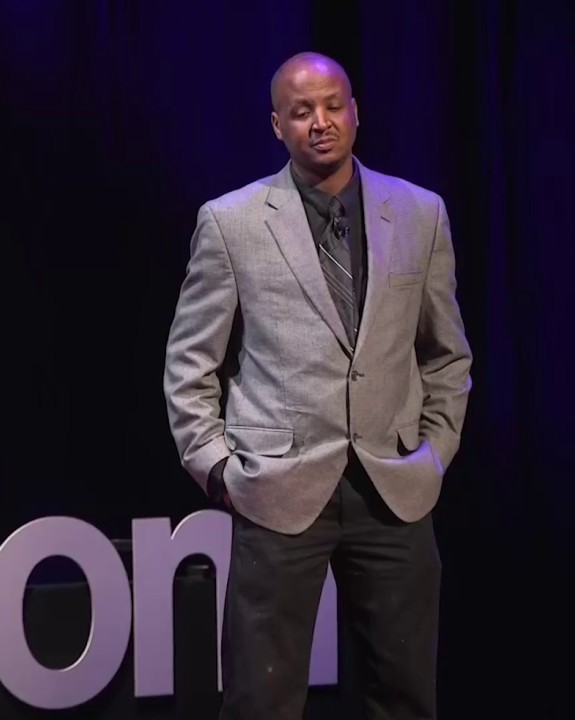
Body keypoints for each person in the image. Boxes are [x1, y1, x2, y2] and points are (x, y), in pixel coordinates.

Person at [163, 52, 472, 720]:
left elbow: (447, 354)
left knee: (405, 696)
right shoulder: (231, 222)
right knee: (260, 700)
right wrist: (221, 472)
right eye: (301, 112)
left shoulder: (420, 214)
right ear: (278, 126)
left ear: (356, 111)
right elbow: (190, 366)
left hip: (394, 489)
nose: (321, 123)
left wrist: (436, 452)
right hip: (278, 491)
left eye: (333, 105)